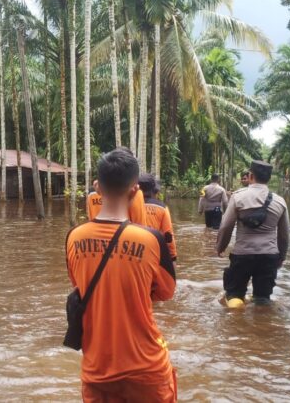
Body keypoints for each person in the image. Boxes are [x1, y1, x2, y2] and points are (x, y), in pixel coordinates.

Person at [66, 148, 177, 402]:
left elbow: (78, 284)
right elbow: (166, 292)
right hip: (147, 368)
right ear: (135, 190)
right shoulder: (151, 240)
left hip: (98, 369)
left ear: (98, 188)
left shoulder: (74, 238)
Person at [215, 160, 290, 307]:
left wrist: (220, 247)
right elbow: (284, 235)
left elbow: (225, 227)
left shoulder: (238, 197)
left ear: (250, 175)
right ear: (269, 178)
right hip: (269, 255)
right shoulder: (280, 202)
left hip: (242, 254)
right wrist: (281, 257)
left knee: (234, 297)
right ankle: (262, 325)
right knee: (263, 299)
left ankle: (236, 324)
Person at [139, 173, 177, 262]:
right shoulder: (162, 208)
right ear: (155, 191)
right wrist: (173, 256)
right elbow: (168, 235)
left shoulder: (128, 205)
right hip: (154, 251)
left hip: (133, 251)